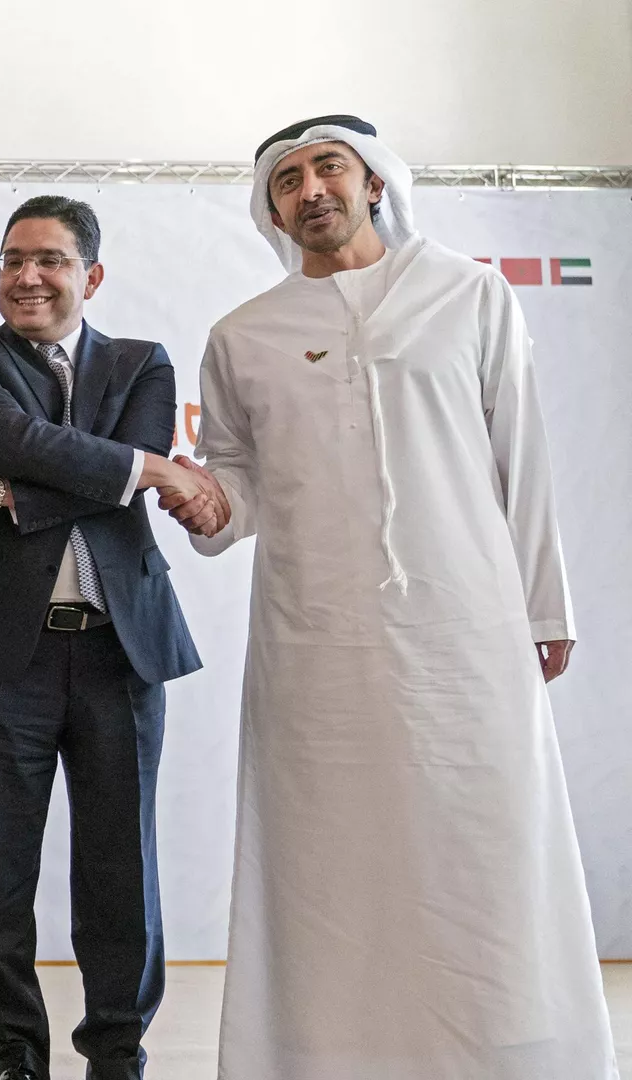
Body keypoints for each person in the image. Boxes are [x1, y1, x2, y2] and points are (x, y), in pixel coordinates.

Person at [166, 114, 614, 1078]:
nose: (311, 190)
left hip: (468, 628)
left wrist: (544, 607)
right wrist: (203, 503)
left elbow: (523, 457)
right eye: (287, 180)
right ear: (271, 209)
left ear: (374, 182)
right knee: (331, 859)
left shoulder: (470, 293)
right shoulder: (243, 335)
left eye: (329, 167)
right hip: (316, 639)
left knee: (480, 851)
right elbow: (238, 485)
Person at [0, 195, 203, 1080]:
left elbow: (60, 461)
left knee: (122, 868)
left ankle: (117, 1053)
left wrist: (2, 489)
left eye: (49, 260)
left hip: (121, 648)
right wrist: (134, 469)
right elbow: (10, 437)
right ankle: (15, 1056)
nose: (26, 277)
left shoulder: (144, 362)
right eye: (12, 260)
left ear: (92, 276)